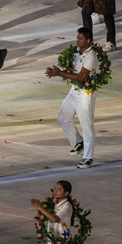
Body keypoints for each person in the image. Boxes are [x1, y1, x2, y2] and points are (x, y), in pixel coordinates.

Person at [45, 28, 98, 169]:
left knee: (87, 126)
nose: (77, 40)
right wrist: (61, 68)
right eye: (77, 38)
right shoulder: (76, 52)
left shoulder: (91, 56)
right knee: (63, 118)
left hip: (86, 93)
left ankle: (89, 158)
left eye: (80, 38)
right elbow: (72, 70)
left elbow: (81, 77)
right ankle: (78, 142)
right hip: (74, 90)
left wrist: (59, 73)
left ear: (88, 41)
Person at [30, 180, 77, 244]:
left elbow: (55, 219)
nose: (56, 191)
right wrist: (38, 210)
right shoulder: (53, 205)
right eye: (55, 188)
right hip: (53, 241)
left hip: (63, 243)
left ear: (66, 193)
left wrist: (41, 208)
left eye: (59, 189)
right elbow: (40, 220)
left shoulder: (67, 206)